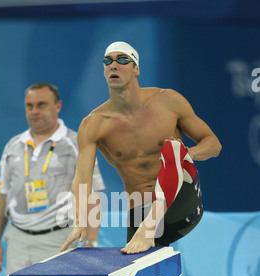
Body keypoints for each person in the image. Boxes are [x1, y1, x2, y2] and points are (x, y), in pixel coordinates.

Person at [60, 41, 221, 254]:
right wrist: (80, 221)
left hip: (182, 202)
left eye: (123, 60)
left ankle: (150, 225)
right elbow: (82, 179)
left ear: (136, 69)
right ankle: (149, 226)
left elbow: (213, 144)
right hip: (141, 210)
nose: (113, 65)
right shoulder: (93, 124)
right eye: (108, 61)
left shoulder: (168, 101)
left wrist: (186, 155)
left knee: (172, 149)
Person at [0, 82, 105, 276]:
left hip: (59, 239)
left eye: (41, 105)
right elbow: (1, 195)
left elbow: (94, 193)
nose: (34, 111)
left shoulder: (76, 143)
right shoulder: (14, 146)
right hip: (18, 239)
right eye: (30, 106)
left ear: (58, 106)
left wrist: (92, 242)